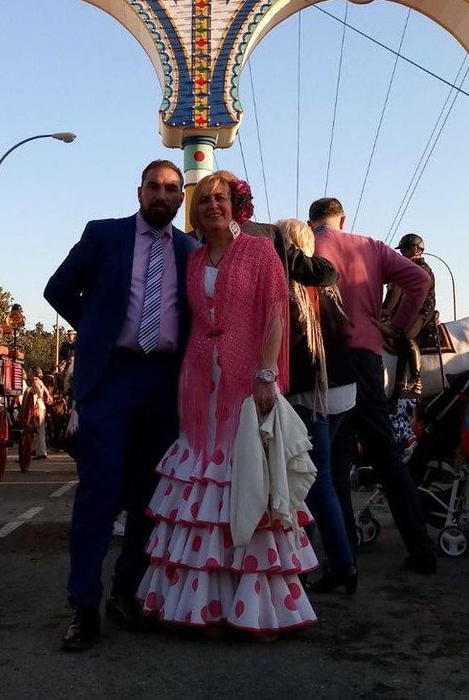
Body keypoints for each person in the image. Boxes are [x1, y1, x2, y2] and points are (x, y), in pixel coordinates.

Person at [136, 172, 317, 639]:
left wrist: (266, 372)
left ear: (236, 206)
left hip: (246, 380)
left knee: (246, 477)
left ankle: (256, 609)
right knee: (202, 480)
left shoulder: (259, 251)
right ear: (194, 210)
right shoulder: (194, 258)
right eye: (204, 200)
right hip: (198, 381)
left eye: (220, 198)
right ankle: (204, 606)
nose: (212, 206)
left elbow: (275, 311)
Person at [44, 159, 197, 651]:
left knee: (151, 496)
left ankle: (125, 593)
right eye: (153, 187)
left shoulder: (190, 251)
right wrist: (96, 329)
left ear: (180, 198)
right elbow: (57, 288)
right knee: (100, 491)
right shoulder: (104, 235)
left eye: (170, 189)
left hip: (163, 384)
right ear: (139, 192)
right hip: (110, 378)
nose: (161, 195)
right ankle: (83, 606)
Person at [309, 197, 438, 574]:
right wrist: (396, 327)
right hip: (367, 358)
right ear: (343, 219)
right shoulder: (372, 247)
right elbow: (420, 280)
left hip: (324, 358)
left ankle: (343, 554)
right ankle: (421, 549)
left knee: (334, 459)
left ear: (311, 221)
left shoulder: (306, 245)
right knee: (385, 454)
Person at [275, 218, 357, 595]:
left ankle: (328, 564)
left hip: (310, 394)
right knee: (323, 479)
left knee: (310, 481)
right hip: (342, 389)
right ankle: (336, 562)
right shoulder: (327, 285)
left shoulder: (291, 288)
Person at [382, 233, 437, 395]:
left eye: (405, 249)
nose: (402, 253)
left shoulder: (422, 269)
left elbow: (400, 291)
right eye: (401, 250)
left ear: (417, 249)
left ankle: (416, 379)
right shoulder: (403, 268)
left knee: (406, 336)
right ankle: (399, 382)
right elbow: (392, 294)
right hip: (404, 311)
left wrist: (389, 310)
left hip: (422, 309)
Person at [23, 367, 52, 460]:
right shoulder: (40, 381)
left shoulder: (35, 382)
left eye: (30, 372)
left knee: (37, 430)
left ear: (34, 373)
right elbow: (46, 390)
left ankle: (40, 452)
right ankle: (42, 452)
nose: (29, 374)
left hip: (38, 405)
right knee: (41, 430)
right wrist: (48, 397)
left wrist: (37, 400)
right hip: (42, 405)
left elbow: (39, 393)